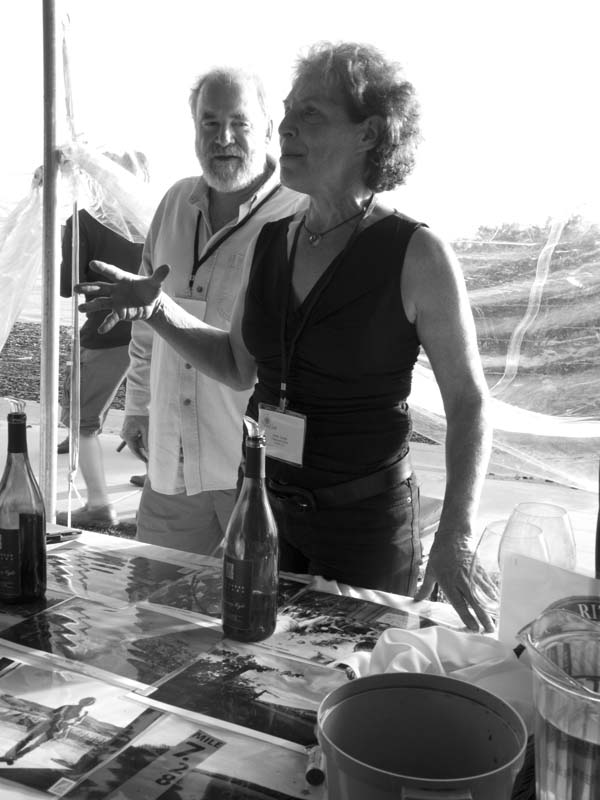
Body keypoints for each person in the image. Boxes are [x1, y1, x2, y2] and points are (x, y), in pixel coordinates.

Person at [76, 42, 494, 633]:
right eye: (289, 112)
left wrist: (456, 531)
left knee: (354, 675)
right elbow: (236, 364)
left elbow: (470, 402)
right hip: (268, 512)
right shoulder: (275, 242)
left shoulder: (416, 254)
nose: (288, 127)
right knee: (251, 669)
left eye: (310, 114)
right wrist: (158, 309)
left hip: (364, 528)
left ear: (370, 134)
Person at [120, 67, 305, 554]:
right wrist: (137, 407)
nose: (223, 138)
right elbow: (146, 321)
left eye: (239, 123)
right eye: (210, 123)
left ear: (268, 127)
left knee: (253, 596)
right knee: (157, 596)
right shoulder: (174, 202)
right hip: (171, 462)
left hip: (253, 470)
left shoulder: (300, 214)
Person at [56, 151, 149, 528]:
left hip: (107, 332)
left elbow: (68, 286)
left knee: (83, 421)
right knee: (155, 414)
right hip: (153, 330)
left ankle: (98, 504)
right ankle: (157, 485)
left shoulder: (82, 221)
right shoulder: (153, 219)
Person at [0, 697, 95, 764]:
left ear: (89, 704)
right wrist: (55, 717)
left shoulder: (83, 714)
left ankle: (15, 757)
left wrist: (66, 725)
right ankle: (8, 756)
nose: (85, 702)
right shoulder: (67, 706)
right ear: (82, 700)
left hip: (56, 730)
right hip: (47, 724)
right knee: (27, 739)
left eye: (89, 702)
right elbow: (50, 713)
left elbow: (74, 723)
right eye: (86, 700)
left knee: (36, 744)